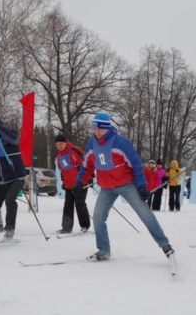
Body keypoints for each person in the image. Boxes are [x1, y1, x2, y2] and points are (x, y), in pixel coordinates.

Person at [74, 112, 174, 261]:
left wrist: (141, 186)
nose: (96, 132)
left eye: (100, 128)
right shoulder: (91, 144)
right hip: (106, 188)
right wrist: (79, 183)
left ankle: (165, 245)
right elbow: (86, 166)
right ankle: (103, 250)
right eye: (94, 128)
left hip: (126, 185)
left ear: (107, 128)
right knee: (98, 218)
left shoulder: (121, 143)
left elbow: (136, 165)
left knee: (145, 214)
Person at [55, 134, 93, 233]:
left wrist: (88, 179)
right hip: (68, 184)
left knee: (79, 203)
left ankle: (85, 226)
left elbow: (87, 164)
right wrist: (63, 182)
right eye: (57, 144)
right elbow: (62, 170)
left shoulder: (74, 150)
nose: (59, 146)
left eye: (61, 144)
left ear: (66, 142)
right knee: (67, 205)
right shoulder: (59, 155)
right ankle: (66, 227)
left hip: (80, 183)